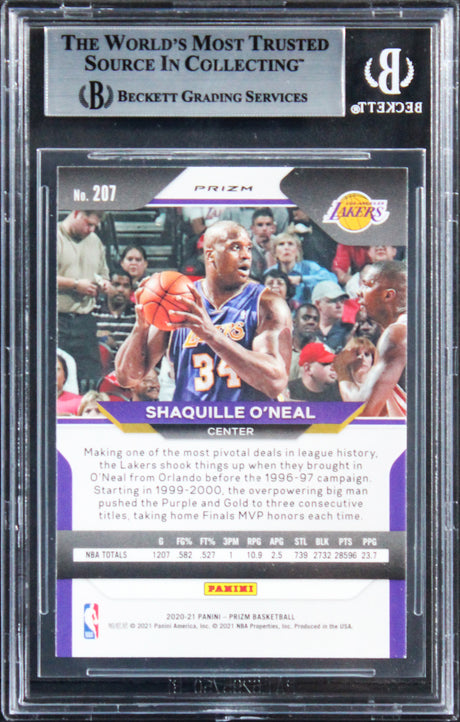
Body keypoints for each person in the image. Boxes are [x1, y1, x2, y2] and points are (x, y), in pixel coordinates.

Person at [116, 220, 292, 402]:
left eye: (248, 248)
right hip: (193, 418)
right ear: (210, 255)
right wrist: (141, 328)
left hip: (245, 418)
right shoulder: (179, 300)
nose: (246, 255)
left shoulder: (267, 304)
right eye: (235, 247)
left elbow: (275, 382)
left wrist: (212, 335)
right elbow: (127, 377)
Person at [57, 210, 110, 389]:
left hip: (85, 320)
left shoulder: (95, 241)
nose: (92, 230)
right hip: (57, 320)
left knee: (90, 377)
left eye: (95, 226)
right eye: (89, 224)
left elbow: (103, 274)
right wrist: (75, 284)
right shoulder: (51, 236)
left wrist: (104, 284)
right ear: (77, 213)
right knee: (57, 376)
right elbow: (39, 275)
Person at [357, 260, 407, 416]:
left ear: (388, 295)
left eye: (367, 285)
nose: (359, 292)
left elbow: (362, 413)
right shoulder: (417, 326)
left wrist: (344, 378)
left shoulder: (397, 334)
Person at [267, 233, 337, 306]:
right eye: (281, 244)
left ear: (297, 251)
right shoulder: (269, 273)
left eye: (290, 244)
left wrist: (302, 279)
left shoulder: (309, 267)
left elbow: (332, 279)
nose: (286, 248)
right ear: (275, 253)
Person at [92, 266, 137, 365]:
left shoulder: (137, 314)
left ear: (131, 290)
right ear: (107, 286)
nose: (121, 290)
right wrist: (102, 337)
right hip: (98, 365)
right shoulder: (94, 309)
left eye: (126, 286)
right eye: (116, 285)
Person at [312, 280, 353, 352]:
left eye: (342, 301)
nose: (339, 305)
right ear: (317, 304)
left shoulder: (348, 329)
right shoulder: (308, 330)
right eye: (333, 301)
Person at [334, 337, 377, 402]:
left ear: (372, 359)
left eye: (367, 354)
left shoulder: (381, 384)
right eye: (357, 354)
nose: (362, 358)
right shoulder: (336, 388)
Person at [290, 303, 320, 381]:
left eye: (315, 319)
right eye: (306, 318)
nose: (311, 322)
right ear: (294, 322)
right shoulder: (279, 349)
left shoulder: (327, 354)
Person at [249, 208, 277, 280]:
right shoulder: (247, 246)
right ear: (252, 229)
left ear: (273, 228)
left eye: (268, 224)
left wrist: (270, 252)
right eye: (260, 225)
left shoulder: (280, 244)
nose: (264, 228)